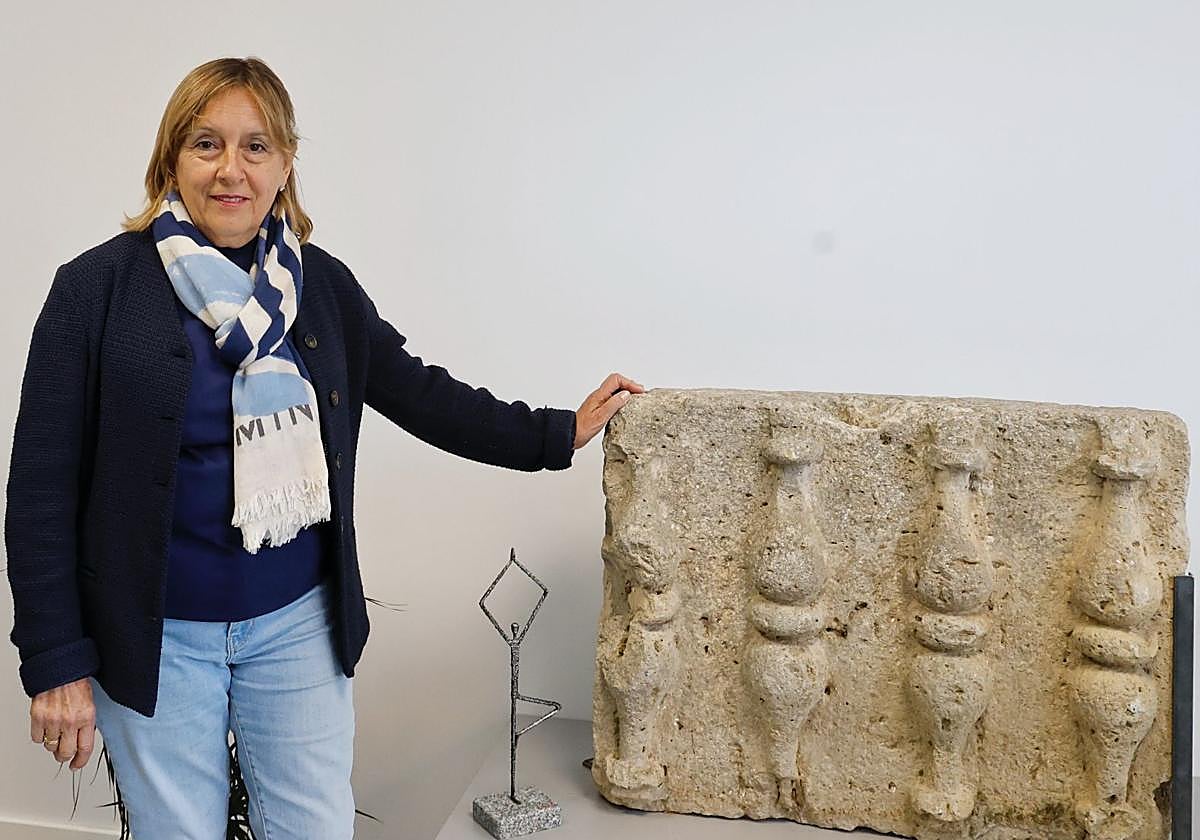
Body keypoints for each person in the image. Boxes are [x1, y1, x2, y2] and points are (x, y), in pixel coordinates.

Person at [5, 56, 643, 839]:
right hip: (157, 635)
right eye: (207, 144)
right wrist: (55, 659)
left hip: (297, 626)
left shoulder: (320, 287)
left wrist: (555, 432)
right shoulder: (94, 289)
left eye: (256, 147)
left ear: (285, 166)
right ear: (172, 157)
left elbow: (422, 391)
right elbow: (39, 490)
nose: (231, 169)